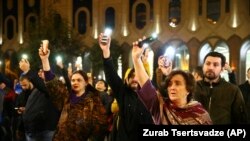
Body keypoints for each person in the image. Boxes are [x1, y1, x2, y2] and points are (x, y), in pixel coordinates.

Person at [131, 39, 212, 125]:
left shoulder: (200, 113)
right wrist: (136, 59)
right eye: (169, 84)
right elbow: (146, 85)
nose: (172, 87)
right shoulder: (160, 107)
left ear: (188, 89)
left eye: (178, 83)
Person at [38, 45, 108, 141]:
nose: (75, 82)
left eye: (79, 80)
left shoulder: (94, 102)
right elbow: (52, 83)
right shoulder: (67, 98)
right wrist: (45, 60)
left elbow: (99, 129)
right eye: (73, 80)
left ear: (86, 82)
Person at [98, 33, 154, 141]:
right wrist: (106, 51)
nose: (135, 79)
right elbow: (111, 75)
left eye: (138, 76)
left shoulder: (151, 97)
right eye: (131, 76)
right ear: (126, 79)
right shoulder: (123, 93)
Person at [194, 51, 247, 124]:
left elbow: (240, 119)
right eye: (208, 63)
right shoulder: (193, 88)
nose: (210, 67)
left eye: (215, 65)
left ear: (222, 69)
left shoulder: (232, 90)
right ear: (203, 66)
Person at [18, 74, 60, 141]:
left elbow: (44, 88)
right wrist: (26, 110)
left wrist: (28, 71)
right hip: (32, 130)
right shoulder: (35, 91)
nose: (39, 73)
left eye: (42, 71)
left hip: (46, 130)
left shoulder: (52, 89)